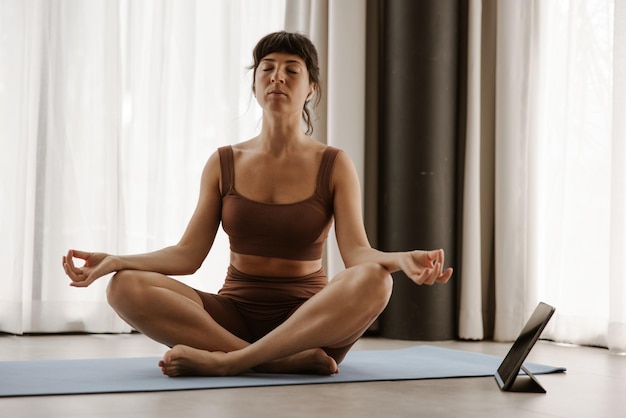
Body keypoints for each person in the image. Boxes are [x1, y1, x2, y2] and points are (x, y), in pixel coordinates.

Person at [62, 31, 453, 377]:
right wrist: (117, 260)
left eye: (291, 70)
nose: (276, 77)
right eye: (266, 68)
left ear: (311, 88)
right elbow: (187, 255)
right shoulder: (223, 162)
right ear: (254, 85)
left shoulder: (334, 164)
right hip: (233, 319)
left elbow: (357, 255)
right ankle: (270, 361)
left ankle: (227, 362)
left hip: (310, 324)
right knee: (124, 287)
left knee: (376, 280)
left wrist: (399, 260)